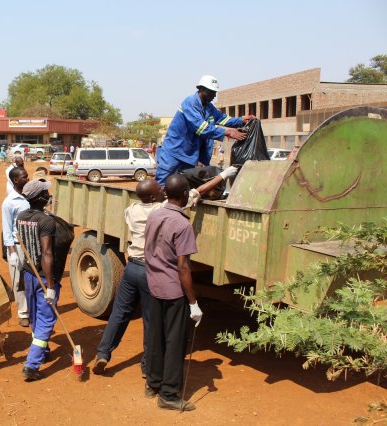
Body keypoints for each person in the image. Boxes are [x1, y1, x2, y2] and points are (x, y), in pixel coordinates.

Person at [92, 179, 165, 377]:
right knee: (150, 319)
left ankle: (103, 354)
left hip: (132, 268)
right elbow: (187, 197)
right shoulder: (161, 210)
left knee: (119, 313)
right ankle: (147, 366)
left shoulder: (132, 210)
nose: (163, 189)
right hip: (151, 271)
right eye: (159, 189)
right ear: (152, 196)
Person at [143, 175, 202, 411]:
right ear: (186, 194)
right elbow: (183, 267)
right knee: (175, 342)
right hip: (173, 290)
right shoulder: (182, 225)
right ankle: (168, 394)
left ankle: (153, 383)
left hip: (153, 284)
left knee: (155, 338)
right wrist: (193, 303)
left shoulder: (154, 214)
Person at [155, 75, 255, 186]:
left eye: (215, 92)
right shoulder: (190, 103)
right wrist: (228, 132)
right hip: (174, 152)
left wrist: (240, 120)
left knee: (184, 186)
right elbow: (201, 128)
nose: (214, 95)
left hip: (189, 156)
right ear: (201, 89)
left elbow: (222, 118)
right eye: (212, 92)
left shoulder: (209, 107)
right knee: (162, 184)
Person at [16, 180, 62, 381]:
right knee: (45, 319)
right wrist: (51, 286)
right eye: (46, 192)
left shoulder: (21, 217)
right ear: (40, 197)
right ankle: (31, 365)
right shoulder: (46, 221)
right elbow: (47, 253)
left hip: (28, 273)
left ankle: (41, 352)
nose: (48, 194)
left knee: (35, 316)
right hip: (43, 276)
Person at [1, 166, 30, 327]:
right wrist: (11, 251)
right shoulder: (9, 203)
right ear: (15, 180)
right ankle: (23, 312)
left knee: (31, 278)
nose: (28, 179)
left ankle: (32, 308)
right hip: (17, 246)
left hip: (31, 245)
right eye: (24, 177)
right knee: (19, 281)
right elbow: (7, 229)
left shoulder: (29, 197)